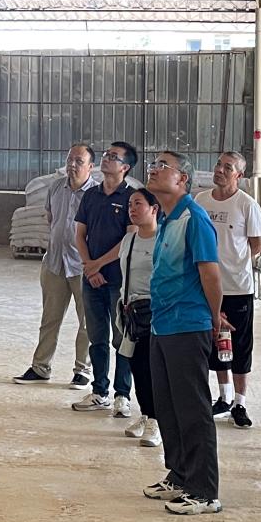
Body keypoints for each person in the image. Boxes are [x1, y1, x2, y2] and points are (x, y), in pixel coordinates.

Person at [139, 151, 226, 516]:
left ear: (182, 180)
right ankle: (179, 474)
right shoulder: (167, 218)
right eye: (153, 164)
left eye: (163, 166)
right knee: (168, 405)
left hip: (188, 325)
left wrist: (214, 317)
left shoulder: (194, 218)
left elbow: (210, 274)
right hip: (162, 324)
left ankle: (204, 490)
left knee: (192, 408)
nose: (154, 170)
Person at [14, 144, 97, 387]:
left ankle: (83, 371)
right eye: (70, 159)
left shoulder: (95, 195)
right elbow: (51, 219)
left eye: (79, 161)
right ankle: (40, 368)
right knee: (49, 319)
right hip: (54, 263)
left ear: (91, 167)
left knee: (87, 322)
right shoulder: (55, 188)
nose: (72, 165)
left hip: (83, 267)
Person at [71, 141, 138, 414]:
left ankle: (123, 394)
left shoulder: (131, 198)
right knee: (97, 337)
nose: (106, 159)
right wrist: (89, 266)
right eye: (107, 155)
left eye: (113, 157)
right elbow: (79, 234)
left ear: (125, 167)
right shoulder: (91, 195)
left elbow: (129, 239)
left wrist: (98, 265)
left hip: (118, 281)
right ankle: (99, 391)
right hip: (91, 279)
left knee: (121, 339)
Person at [201, 150, 261, 427]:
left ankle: (240, 402)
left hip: (238, 287)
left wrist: (234, 263)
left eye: (228, 167)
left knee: (239, 345)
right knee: (217, 341)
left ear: (239, 175)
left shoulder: (247, 205)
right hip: (207, 285)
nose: (220, 170)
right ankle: (224, 397)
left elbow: (256, 245)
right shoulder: (201, 201)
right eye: (219, 164)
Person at [115, 186, 164, 448]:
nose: (132, 209)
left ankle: (157, 421)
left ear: (154, 209)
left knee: (149, 367)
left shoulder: (163, 239)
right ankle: (146, 414)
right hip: (131, 313)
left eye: (138, 204)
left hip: (154, 312)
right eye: (130, 205)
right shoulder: (129, 240)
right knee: (135, 365)